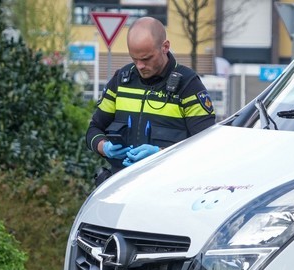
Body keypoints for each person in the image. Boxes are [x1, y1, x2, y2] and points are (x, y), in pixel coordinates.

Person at [85, 17, 217, 185]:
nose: (139, 66)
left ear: (165, 47)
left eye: (146, 59)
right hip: (120, 187)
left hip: (167, 188)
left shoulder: (188, 85)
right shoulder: (121, 81)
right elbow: (93, 129)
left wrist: (160, 154)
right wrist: (104, 147)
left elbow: (207, 146)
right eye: (134, 59)